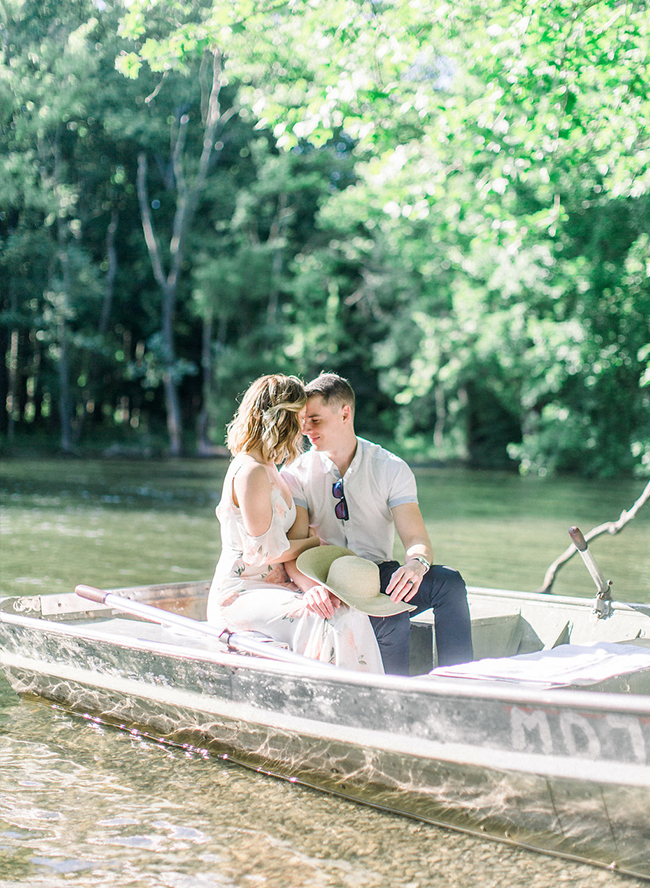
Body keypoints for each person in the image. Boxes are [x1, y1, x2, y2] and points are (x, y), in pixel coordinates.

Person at [282, 372, 473, 675]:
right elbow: (296, 547)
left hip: (376, 574)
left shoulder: (390, 468)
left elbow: (416, 539)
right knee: (391, 618)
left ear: (345, 413)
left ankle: (461, 682)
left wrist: (416, 564)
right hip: (329, 578)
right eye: (303, 420)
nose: (305, 429)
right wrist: (310, 587)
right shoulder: (296, 474)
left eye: (315, 420)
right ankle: (391, 699)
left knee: (449, 583)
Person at [206, 373, 384, 673]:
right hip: (239, 593)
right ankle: (329, 700)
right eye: (300, 418)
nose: (304, 428)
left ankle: (368, 696)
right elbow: (263, 554)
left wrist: (311, 585)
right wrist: (315, 540)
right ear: (282, 420)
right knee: (321, 619)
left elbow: (289, 548)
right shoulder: (250, 472)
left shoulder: (274, 470)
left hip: (278, 586)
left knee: (344, 609)